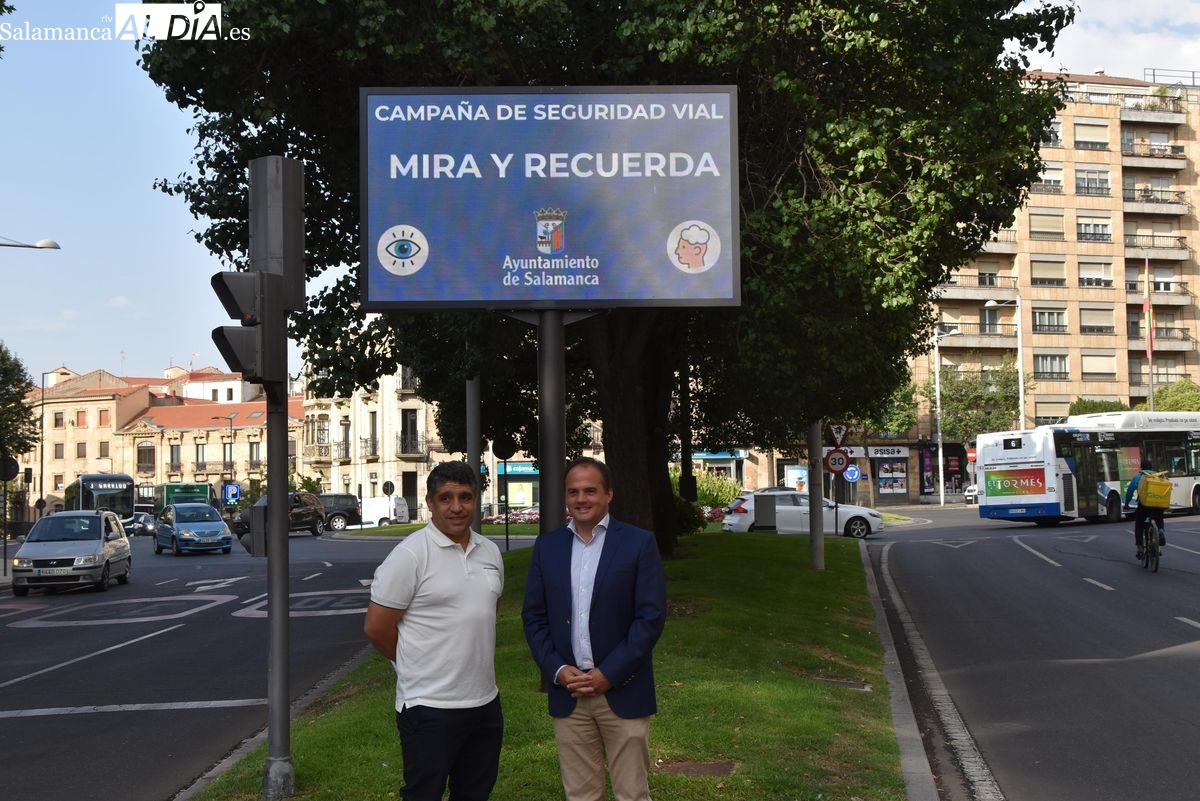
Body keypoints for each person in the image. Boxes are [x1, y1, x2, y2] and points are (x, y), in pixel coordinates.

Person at [522, 456, 667, 801]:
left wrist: (609, 673)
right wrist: (556, 670)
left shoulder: (638, 543)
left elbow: (650, 618)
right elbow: (534, 617)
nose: (581, 499)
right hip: (569, 694)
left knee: (632, 793)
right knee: (580, 796)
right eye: (573, 492)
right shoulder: (548, 547)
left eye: (590, 490)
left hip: (623, 691)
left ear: (609, 495)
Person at [364, 461, 504, 801]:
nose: (456, 507)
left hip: (484, 702)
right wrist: (414, 663)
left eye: (465, 497)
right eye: (446, 498)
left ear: (476, 499)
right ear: (430, 503)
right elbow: (377, 628)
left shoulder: (490, 552)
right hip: (429, 706)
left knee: (475, 794)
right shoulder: (410, 555)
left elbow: (486, 612)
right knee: (423, 795)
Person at [1123, 458, 1166, 560]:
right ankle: (1160, 530)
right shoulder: (1159, 476)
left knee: (1139, 525)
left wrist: (1126, 504)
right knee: (1159, 518)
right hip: (1157, 506)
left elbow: (1129, 492)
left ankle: (1140, 550)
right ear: (1151, 467)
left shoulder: (1138, 477)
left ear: (1141, 467)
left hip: (1144, 506)